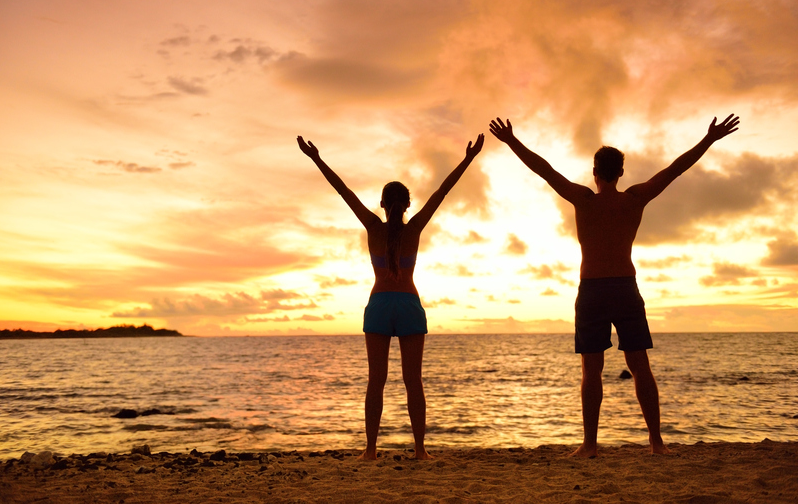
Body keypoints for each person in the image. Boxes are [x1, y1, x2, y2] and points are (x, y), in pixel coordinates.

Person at [489, 114, 740, 457]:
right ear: (620, 173)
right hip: (624, 287)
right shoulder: (633, 199)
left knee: (592, 371)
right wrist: (708, 139)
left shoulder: (583, 199)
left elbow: (544, 170)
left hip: (592, 289)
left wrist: (512, 141)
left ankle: (590, 445)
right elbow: (675, 169)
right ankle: (656, 442)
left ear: (594, 171)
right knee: (639, 366)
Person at [297, 133, 484, 460]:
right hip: (409, 306)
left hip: (380, 306)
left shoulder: (372, 226)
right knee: (414, 382)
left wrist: (316, 158)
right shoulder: (414, 229)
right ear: (408, 205)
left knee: (376, 382)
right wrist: (468, 159)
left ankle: (370, 450)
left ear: (382, 204)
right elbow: (442, 192)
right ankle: (420, 450)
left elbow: (344, 191)